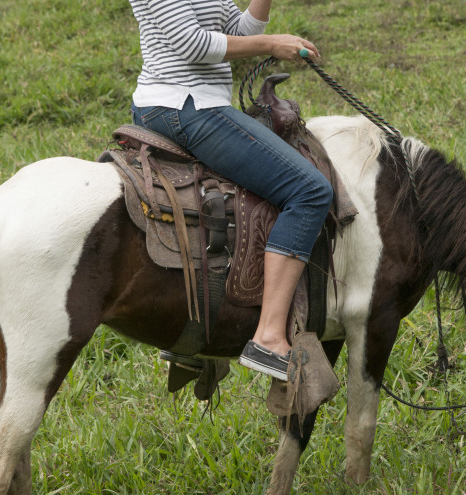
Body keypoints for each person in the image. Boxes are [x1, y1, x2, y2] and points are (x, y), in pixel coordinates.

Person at [128, 0, 334, 380]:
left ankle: (203, 321)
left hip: (197, 105)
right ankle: (269, 336)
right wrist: (272, 44)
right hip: (186, 107)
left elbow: (238, 31)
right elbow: (193, 44)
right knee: (309, 191)